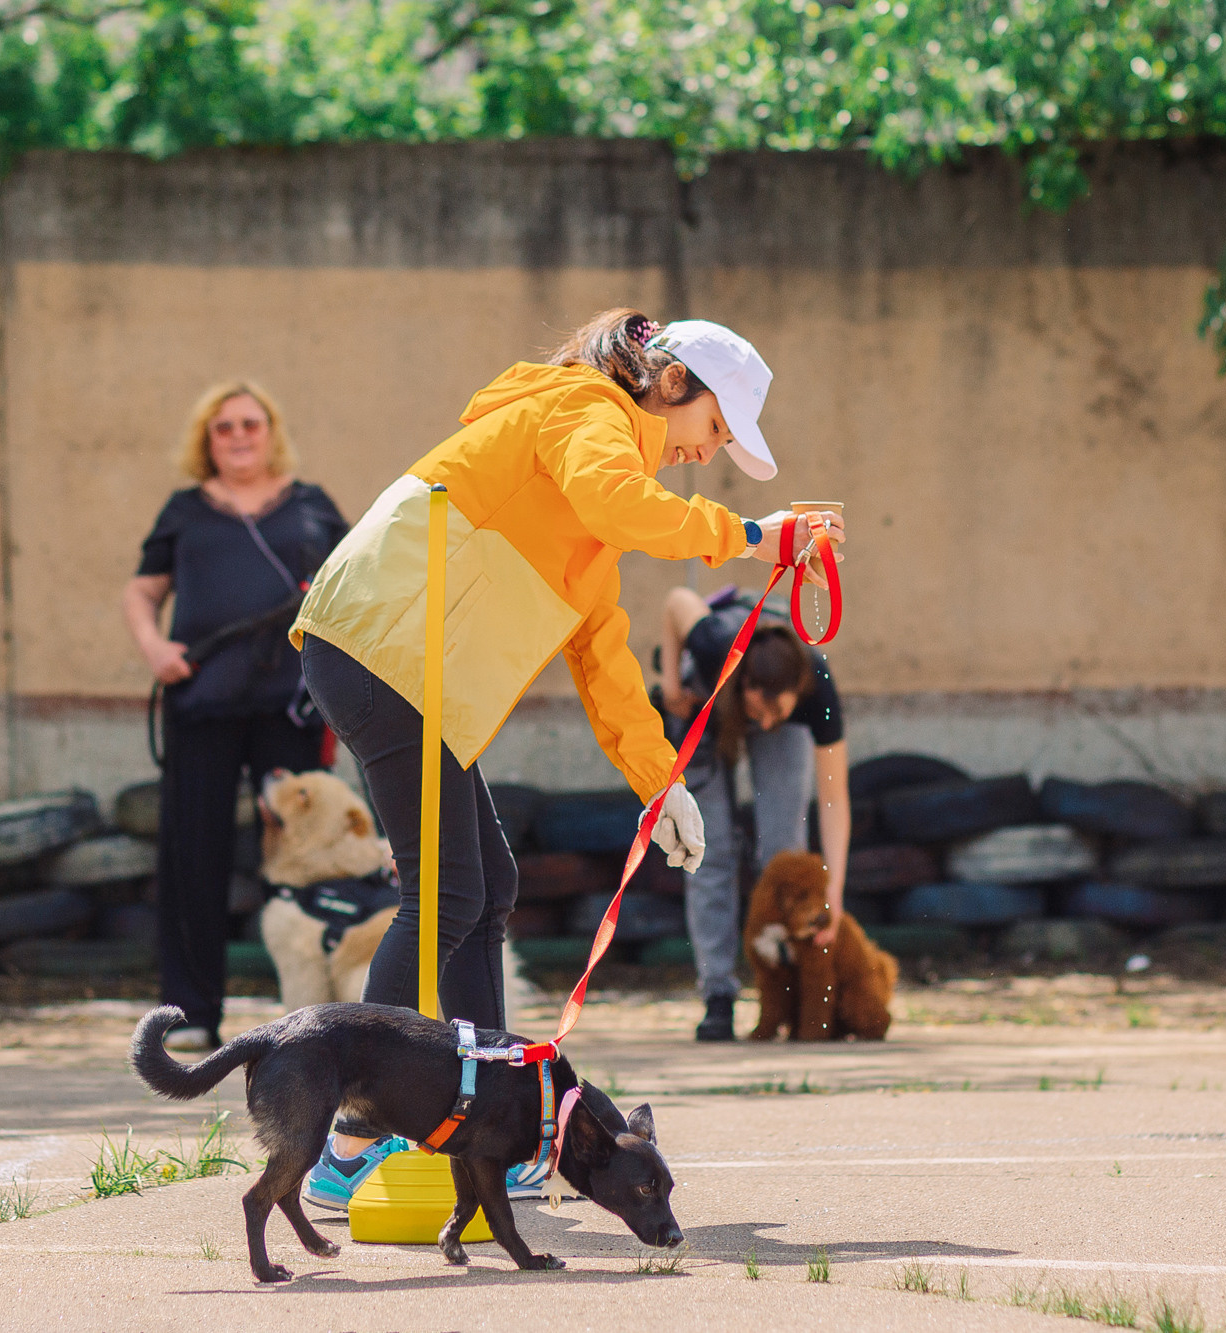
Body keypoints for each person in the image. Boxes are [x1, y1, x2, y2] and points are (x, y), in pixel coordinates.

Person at [289, 308, 843, 1208]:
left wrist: (661, 786)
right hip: (376, 646)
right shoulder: (584, 413)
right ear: (671, 387)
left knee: (488, 887)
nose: (708, 454)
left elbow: (606, 665)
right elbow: (622, 500)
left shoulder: (596, 518)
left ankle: (489, 1129)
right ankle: (346, 1135)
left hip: (407, 669)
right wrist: (750, 535)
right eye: (715, 429)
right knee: (446, 890)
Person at [122, 382, 348, 1053]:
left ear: (271, 430)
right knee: (194, 857)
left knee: (314, 852)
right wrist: (154, 647)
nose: (239, 435)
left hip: (292, 705)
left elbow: (351, 583)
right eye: (224, 427)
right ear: (206, 439)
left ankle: (329, 1016)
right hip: (203, 703)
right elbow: (142, 590)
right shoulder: (184, 510)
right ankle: (189, 1012)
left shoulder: (312, 505)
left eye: (250, 423)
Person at [659, 584, 849, 1042]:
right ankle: (718, 996)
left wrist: (833, 895)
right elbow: (677, 600)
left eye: (776, 713)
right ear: (747, 686)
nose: (764, 725)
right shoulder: (715, 644)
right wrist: (669, 685)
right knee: (708, 849)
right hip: (707, 698)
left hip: (772, 694)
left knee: (785, 853)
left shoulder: (814, 689)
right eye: (760, 712)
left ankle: (784, 990)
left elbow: (834, 798)